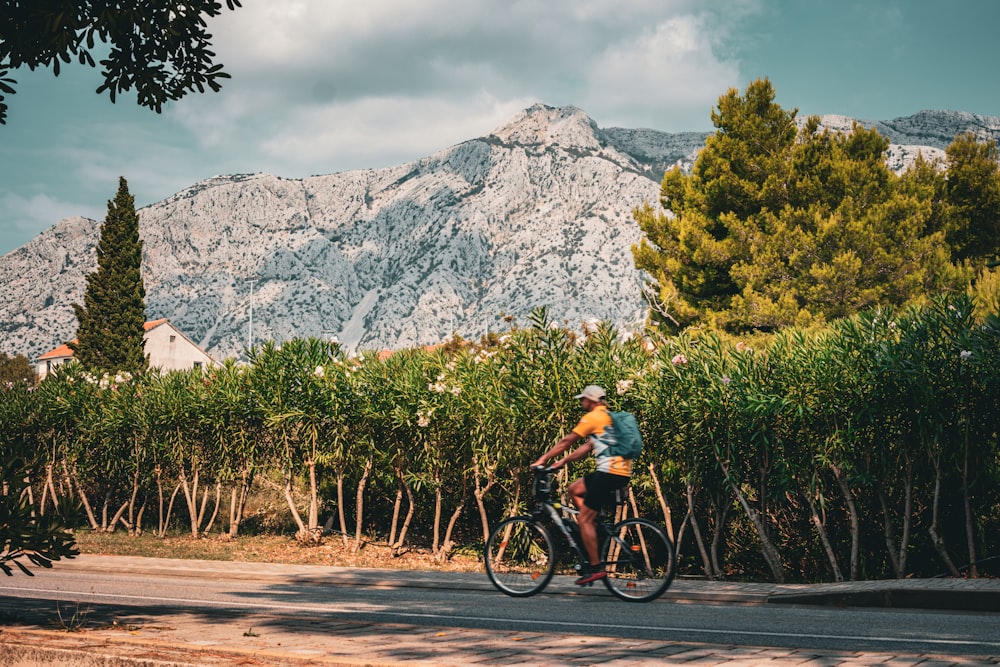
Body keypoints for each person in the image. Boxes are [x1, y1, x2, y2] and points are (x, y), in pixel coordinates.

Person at [531, 384, 631, 585]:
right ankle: (595, 530)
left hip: (608, 473)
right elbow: (586, 447)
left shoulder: (593, 417)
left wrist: (543, 459)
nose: (582, 402)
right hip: (620, 472)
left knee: (583, 519)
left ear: (592, 401)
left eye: (584, 399)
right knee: (574, 489)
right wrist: (563, 462)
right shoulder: (608, 418)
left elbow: (567, 441)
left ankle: (595, 568)